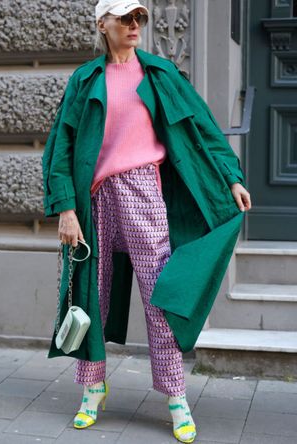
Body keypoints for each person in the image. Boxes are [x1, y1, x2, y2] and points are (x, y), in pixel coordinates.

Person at [42, 0, 251, 442]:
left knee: (160, 298)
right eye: (125, 18)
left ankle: (175, 396)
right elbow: (61, 146)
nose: (135, 25)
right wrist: (65, 208)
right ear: (103, 24)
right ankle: (92, 387)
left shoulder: (159, 72)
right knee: (90, 293)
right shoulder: (85, 78)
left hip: (144, 192)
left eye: (140, 18)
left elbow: (202, 128)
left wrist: (230, 177)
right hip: (94, 199)